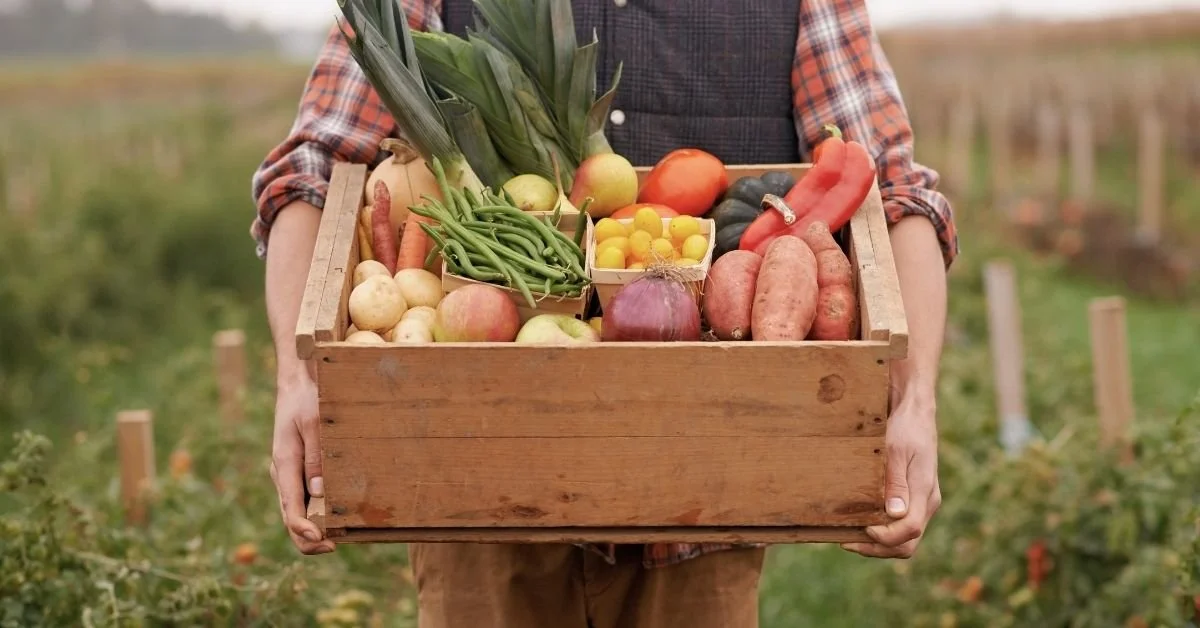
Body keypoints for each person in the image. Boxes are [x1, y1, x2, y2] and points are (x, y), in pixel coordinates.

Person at [251, 1, 957, 626]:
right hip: (479, 493)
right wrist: (297, 380)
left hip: (706, 500)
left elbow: (894, 191)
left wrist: (915, 401)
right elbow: (312, 171)